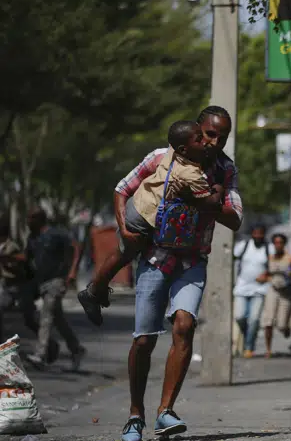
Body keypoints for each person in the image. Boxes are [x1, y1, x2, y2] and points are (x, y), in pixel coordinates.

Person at [112, 106, 243, 441]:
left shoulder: (225, 171)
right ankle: (135, 414)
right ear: (196, 132)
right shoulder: (161, 158)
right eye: (209, 134)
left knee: (184, 325)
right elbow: (122, 188)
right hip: (156, 257)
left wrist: (207, 200)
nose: (214, 142)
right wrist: (125, 228)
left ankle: (165, 412)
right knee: (144, 340)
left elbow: (235, 216)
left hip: (192, 259)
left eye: (221, 137)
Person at [78, 121, 225, 325]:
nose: (208, 143)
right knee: (124, 253)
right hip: (140, 219)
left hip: (139, 208)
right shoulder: (190, 173)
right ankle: (93, 292)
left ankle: (97, 291)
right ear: (184, 148)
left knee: (124, 255)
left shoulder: (172, 156)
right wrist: (219, 184)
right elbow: (212, 202)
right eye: (201, 138)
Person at [23, 208, 86, 370]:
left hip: (57, 280)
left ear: (40, 219)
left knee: (46, 316)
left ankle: (40, 354)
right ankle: (76, 349)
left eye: (31, 218)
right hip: (41, 283)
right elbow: (27, 259)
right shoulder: (32, 238)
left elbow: (75, 247)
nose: (28, 222)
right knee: (58, 320)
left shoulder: (56, 234)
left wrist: (72, 271)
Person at [233, 224, 273, 358]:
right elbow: (230, 259)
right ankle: (247, 335)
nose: (258, 236)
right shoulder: (243, 246)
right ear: (252, 234)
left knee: (254, 319)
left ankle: (249, 347)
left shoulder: (269, 248)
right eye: (255, 234)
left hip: (259, 290)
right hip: (241, 287)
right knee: (239, 316)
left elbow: (276, 265)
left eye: (260, 234)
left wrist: (267, 275)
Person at [260, 233, 291, 358]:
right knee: (268, 321)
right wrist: (263, 277)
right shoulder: (270, 258)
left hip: (286, 291)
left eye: (280, 243)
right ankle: (268, 349)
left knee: (281, 325)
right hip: (273, 290)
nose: (278, 245)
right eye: (276, 243)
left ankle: (286, 328)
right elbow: (267, 273)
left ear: (284, 244)